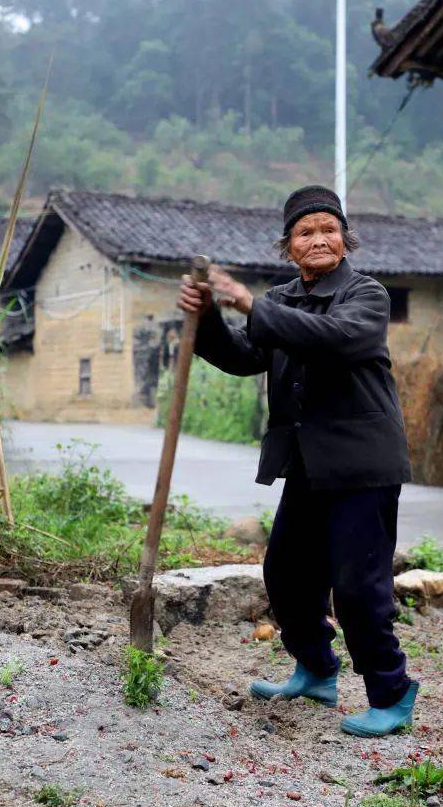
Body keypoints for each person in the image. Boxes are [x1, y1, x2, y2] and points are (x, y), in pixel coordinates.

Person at [178, 184, 418, 737]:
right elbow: (243, 356)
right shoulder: (283, 299)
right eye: (305, 232)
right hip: (308, 466)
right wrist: (210, 317)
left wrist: (250, 304)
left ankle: (392, 690)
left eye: (328, 229)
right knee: (285, 575)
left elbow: (334, 339)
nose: (319, 239)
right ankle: (315, 669)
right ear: (288, 246)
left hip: (364, 467)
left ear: (345, 239)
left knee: (359, 589)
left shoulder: (367, 295)